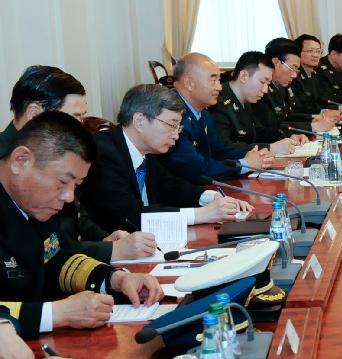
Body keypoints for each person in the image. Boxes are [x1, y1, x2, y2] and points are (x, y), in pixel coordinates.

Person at [0, 112, 162, 340]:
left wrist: (116, 279)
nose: (68, 197)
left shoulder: (34, 204)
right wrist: (56, 313)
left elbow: (58, 260)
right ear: (21, 161)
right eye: (62, 182)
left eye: (76, 185)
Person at [1, 65, 153, 262]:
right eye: (75, 117)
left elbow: (78, 216)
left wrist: (104, 240)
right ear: (34, 113)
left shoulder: (62, 155)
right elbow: (41, 250)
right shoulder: (10, 167)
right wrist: (110, 250)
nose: (81, 127)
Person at [82, 85, 254, 233]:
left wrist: (211, 197)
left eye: (178, 127)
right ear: (140, 121)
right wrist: (202, 214)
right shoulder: (103, 153)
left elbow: (170, 185)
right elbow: (132, 215)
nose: (176, 135)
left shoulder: (146, 151)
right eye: (172, 125)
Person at [162, 53, 273, 182]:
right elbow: (197, 169)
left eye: (219, 81)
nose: (220, 87)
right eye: (213, 80)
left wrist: (255, 156)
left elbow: (219, 150)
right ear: (189, 83)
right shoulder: (170, 114)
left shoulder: (203, 112)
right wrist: (246, 164)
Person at [210, 51, 307, 153]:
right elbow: (224, 148)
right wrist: (271, 148)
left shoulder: (246, 100)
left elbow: (258, 131)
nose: (265, 90)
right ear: (243, 76)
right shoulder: (218, 102)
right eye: (262, 82)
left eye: (268, 84)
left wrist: (288, 137)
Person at [256, 38, 338, 135]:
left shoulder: (281, 85)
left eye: (296, 70)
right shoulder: (260, 88)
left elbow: (288, 115)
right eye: (292, 68)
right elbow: (271, 126)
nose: (294, 75)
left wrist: (314, 117)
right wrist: (312, 126)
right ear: (276, 62)